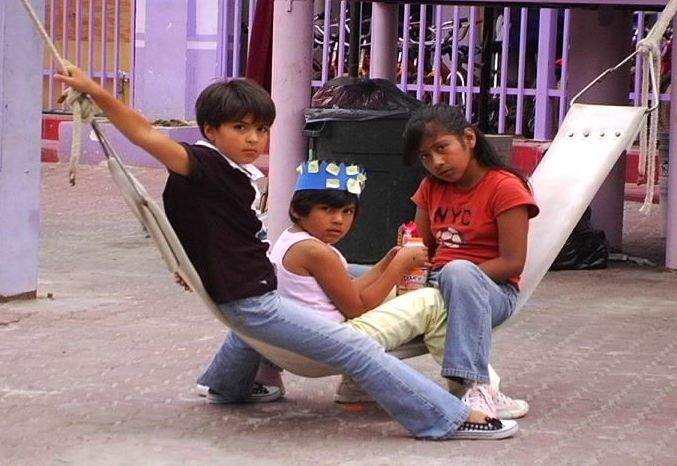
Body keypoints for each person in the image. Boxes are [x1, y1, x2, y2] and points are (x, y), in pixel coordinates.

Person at [55, 64, 518, 440]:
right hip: (253, 301)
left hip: (251, 291)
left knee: (309, 297)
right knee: (357, 348)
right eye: (240, 128)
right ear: (210, 130)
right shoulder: (202, 164)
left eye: (261, 129)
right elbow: (145, 134)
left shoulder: (231, 174)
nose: (253, 139)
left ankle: (227, 384)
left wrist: (194, 268)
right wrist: (96, 91)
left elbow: (206, 232)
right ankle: (445, 418)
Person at [271, 160, 525, 420]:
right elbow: (356, 306)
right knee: (433, 301)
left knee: (406, 295)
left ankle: (358, 384)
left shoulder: (293, 239)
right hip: (332, 341)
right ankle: (479, 388)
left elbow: (347, 291)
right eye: (326, 210)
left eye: (347, 212)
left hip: (311, 335)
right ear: (297, 209)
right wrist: (398, 268)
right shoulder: (315, 251)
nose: (338, 220)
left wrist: (385, 264)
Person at [403, 104, 539, 419]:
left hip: (493, 291)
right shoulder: (430, 187)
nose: (436, 162)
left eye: (442, 148)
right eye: (425, 156)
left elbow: (513, 262)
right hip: (437, 282)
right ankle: (355, 375)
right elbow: (422, 249)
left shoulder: (505, 187)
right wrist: (402, 273)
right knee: (350, 271)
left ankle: (476, 386)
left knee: (458, 272)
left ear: (469, 138)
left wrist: (450, 279)